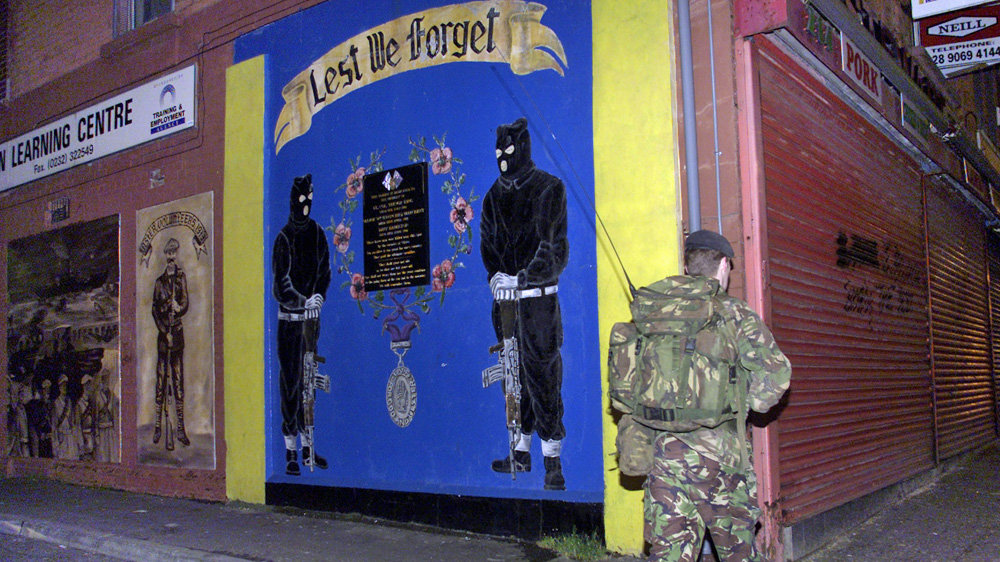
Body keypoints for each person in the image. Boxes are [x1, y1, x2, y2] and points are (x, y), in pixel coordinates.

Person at [644, 229, 791, 562]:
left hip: (666, 457)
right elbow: (778, 373)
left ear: (687, 267)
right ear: (724, 264)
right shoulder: (735, 314)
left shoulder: (657, 313)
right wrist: (747, 403)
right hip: (721, 462)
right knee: (739, 555)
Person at [480, 117, 569, 491]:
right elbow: (488, 246)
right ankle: (520, 451)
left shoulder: (549, 188)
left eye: (509, 150)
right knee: (512, 378)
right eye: (499, 151)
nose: (504, 158)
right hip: (505, 305)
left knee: (543, 379)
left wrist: (520, 279)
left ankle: (552, 461)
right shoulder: (492, 198)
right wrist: (496, 277)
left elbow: (555, 251)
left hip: (537, 304)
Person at [272, 173, 332, 476]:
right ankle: (291, 451)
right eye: (301, 199)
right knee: (291, 386)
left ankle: (309, 447)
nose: (305, 205)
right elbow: (280, 286)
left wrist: (318, 296)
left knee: (310, 385)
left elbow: (324, 272)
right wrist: (302, 301)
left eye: (309, 198)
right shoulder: (283, 239)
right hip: (290, 325)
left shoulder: (318, 234)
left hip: (311, 324)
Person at [152, 237, 190, 447]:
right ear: (165, 255)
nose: (171, 256)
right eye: (168, 253)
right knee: (161, 382)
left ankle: (181, 429)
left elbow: (186, 303)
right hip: (163, 338)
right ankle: (158, 427)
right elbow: (154, 310)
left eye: (173, 252)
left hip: (177, 337)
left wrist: (179, 307)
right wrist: (163, 331)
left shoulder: (181, 278)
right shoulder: (159, 282)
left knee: (178, 382)